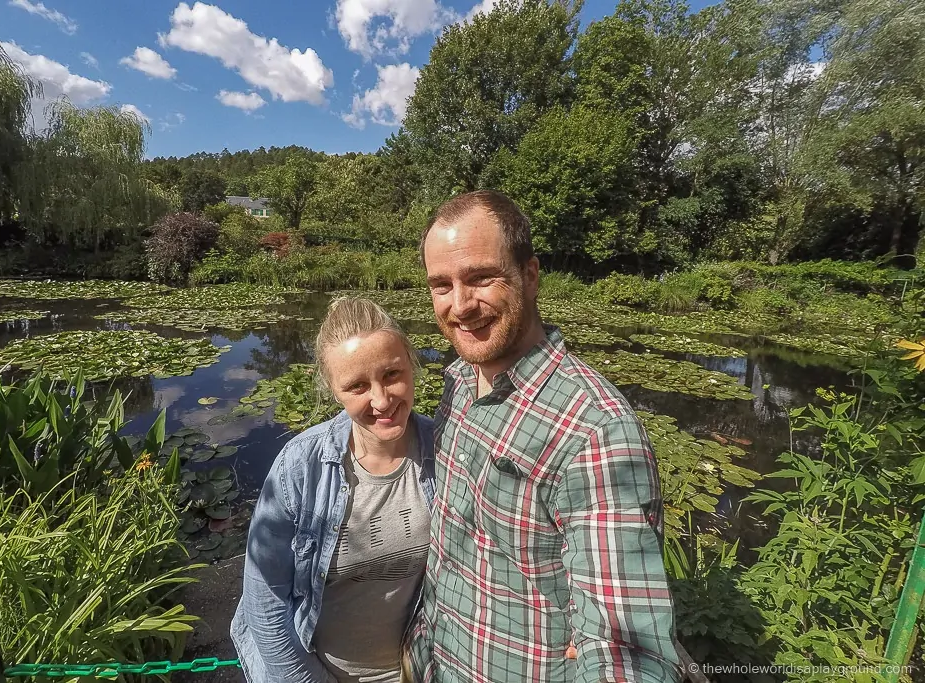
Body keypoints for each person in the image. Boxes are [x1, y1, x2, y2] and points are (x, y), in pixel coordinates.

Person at [410, 190, 683, 683]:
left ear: (530, 275)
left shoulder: (596, 431)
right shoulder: (459, 380)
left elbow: (624, 648)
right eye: (441, 285)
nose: (460, 305)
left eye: (480, 278)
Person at [231, 297, 436, 683]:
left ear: (411, 364)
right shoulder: (300, 467)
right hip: (316, 672)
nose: (381, 399)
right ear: (333, 390)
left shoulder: (446, 450)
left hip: (421, 670)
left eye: (392, 374)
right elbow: (265, 603)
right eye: (357, 386)